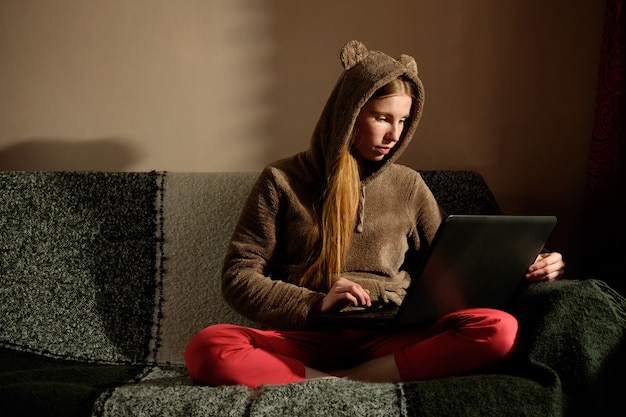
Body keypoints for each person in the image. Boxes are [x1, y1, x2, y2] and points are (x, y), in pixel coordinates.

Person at [184, 40, 565, 388]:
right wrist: (314, 303)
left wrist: (530, 267)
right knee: (207, 347)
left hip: (390, 337)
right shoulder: (282, 179)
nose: (394, 135)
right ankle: (340, 381)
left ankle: (336, 383)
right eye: (383, 118)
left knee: (500, 330)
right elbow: (238, 275)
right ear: (348, 115)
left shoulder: (409, 185)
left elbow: (458, 267)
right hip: (305, 337)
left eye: (403, 121)